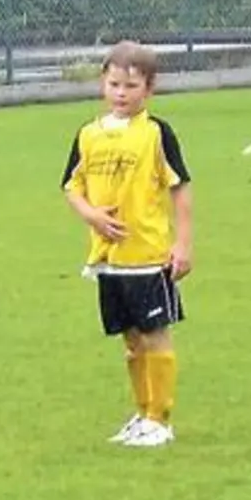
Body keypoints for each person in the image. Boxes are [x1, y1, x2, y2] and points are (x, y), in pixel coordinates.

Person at [61, 40, 193, 448]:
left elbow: (180, 188)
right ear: (103, 84)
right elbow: (71, 186)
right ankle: (141, 413)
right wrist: (91, 215)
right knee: (131, 340)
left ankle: (160, 418)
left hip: (148, 254)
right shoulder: (88, 135)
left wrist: (183, 244)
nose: (121, 93)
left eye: (132, 86)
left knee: (155, 334)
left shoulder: (156, 133)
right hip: (108, 258)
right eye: (115, 83)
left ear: (149, 90)